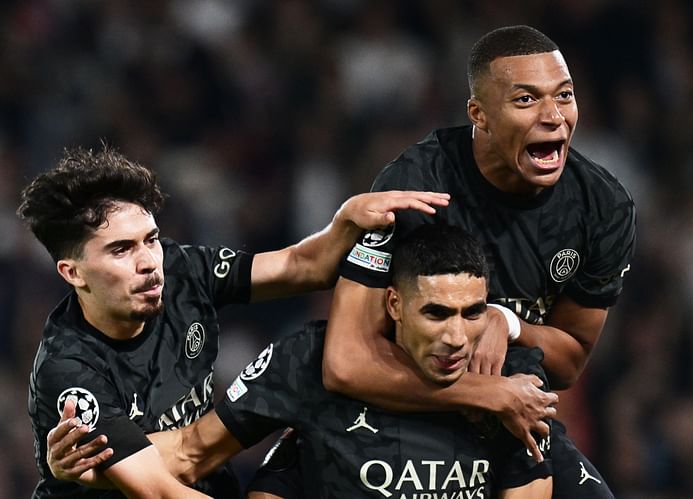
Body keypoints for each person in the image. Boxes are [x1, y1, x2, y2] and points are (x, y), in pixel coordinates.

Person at [18, 144, 452, 498]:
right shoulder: (71, 370)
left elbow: (302, 266)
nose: (149, 262)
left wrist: (345, 221)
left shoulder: (183, 271)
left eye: (150, 240)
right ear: (72, 273)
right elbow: (161, 493)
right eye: (121, 250)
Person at [322, 25, 636, 498]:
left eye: (564, 96)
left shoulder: (602, 206)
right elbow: (346, 363)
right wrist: (485, 392)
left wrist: (505, 321)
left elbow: (570, 360)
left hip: (512, 417)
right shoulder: (413, 188)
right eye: (526, 100)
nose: (554, 117)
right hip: (403, 405)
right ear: (479, 114)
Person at [50, 224, 556, 498]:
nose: (456, 336)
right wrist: (90, 466)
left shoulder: (512, 379)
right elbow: (189, 450)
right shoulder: (306, 361)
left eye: (473, 314)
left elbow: (531, 488)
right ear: (394, 305)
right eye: (437, 313)